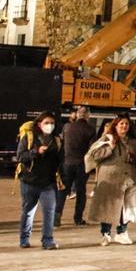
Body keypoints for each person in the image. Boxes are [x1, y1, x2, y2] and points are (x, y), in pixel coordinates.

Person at [86, 113, 136, 245]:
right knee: (107, 207)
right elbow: (94, 156)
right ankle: (105, 234)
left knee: (125, 207)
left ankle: (122, 232)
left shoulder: (133, 142)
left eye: (126, 124)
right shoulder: (106, 139)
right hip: (109, 179)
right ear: (115, 125)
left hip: (128, 179)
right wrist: (110, 147)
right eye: (121, 123)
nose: (124, 126)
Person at [16, 111, 64, 250]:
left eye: (52, 123)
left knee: (49, 211)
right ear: (39, 124)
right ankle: (24, 238)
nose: (50, 126)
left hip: (48, 183)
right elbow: (20, 156)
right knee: (28, 210)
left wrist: (63, 179)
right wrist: (36, 152)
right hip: (29, 181)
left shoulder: (57, 140)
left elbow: (61, 161)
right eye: (46, 123)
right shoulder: (29, 137)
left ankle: (48, 240)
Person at [56, 105, 94, 227]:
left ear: (77, 114)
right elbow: (92, 149)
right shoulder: (90, 130)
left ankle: (57, 216)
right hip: (82, 165)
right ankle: (78, 219)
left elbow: (62, 144)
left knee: (63, 191)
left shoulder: (67, 127)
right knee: (81, 191)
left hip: (67, 163)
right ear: (88, 115)